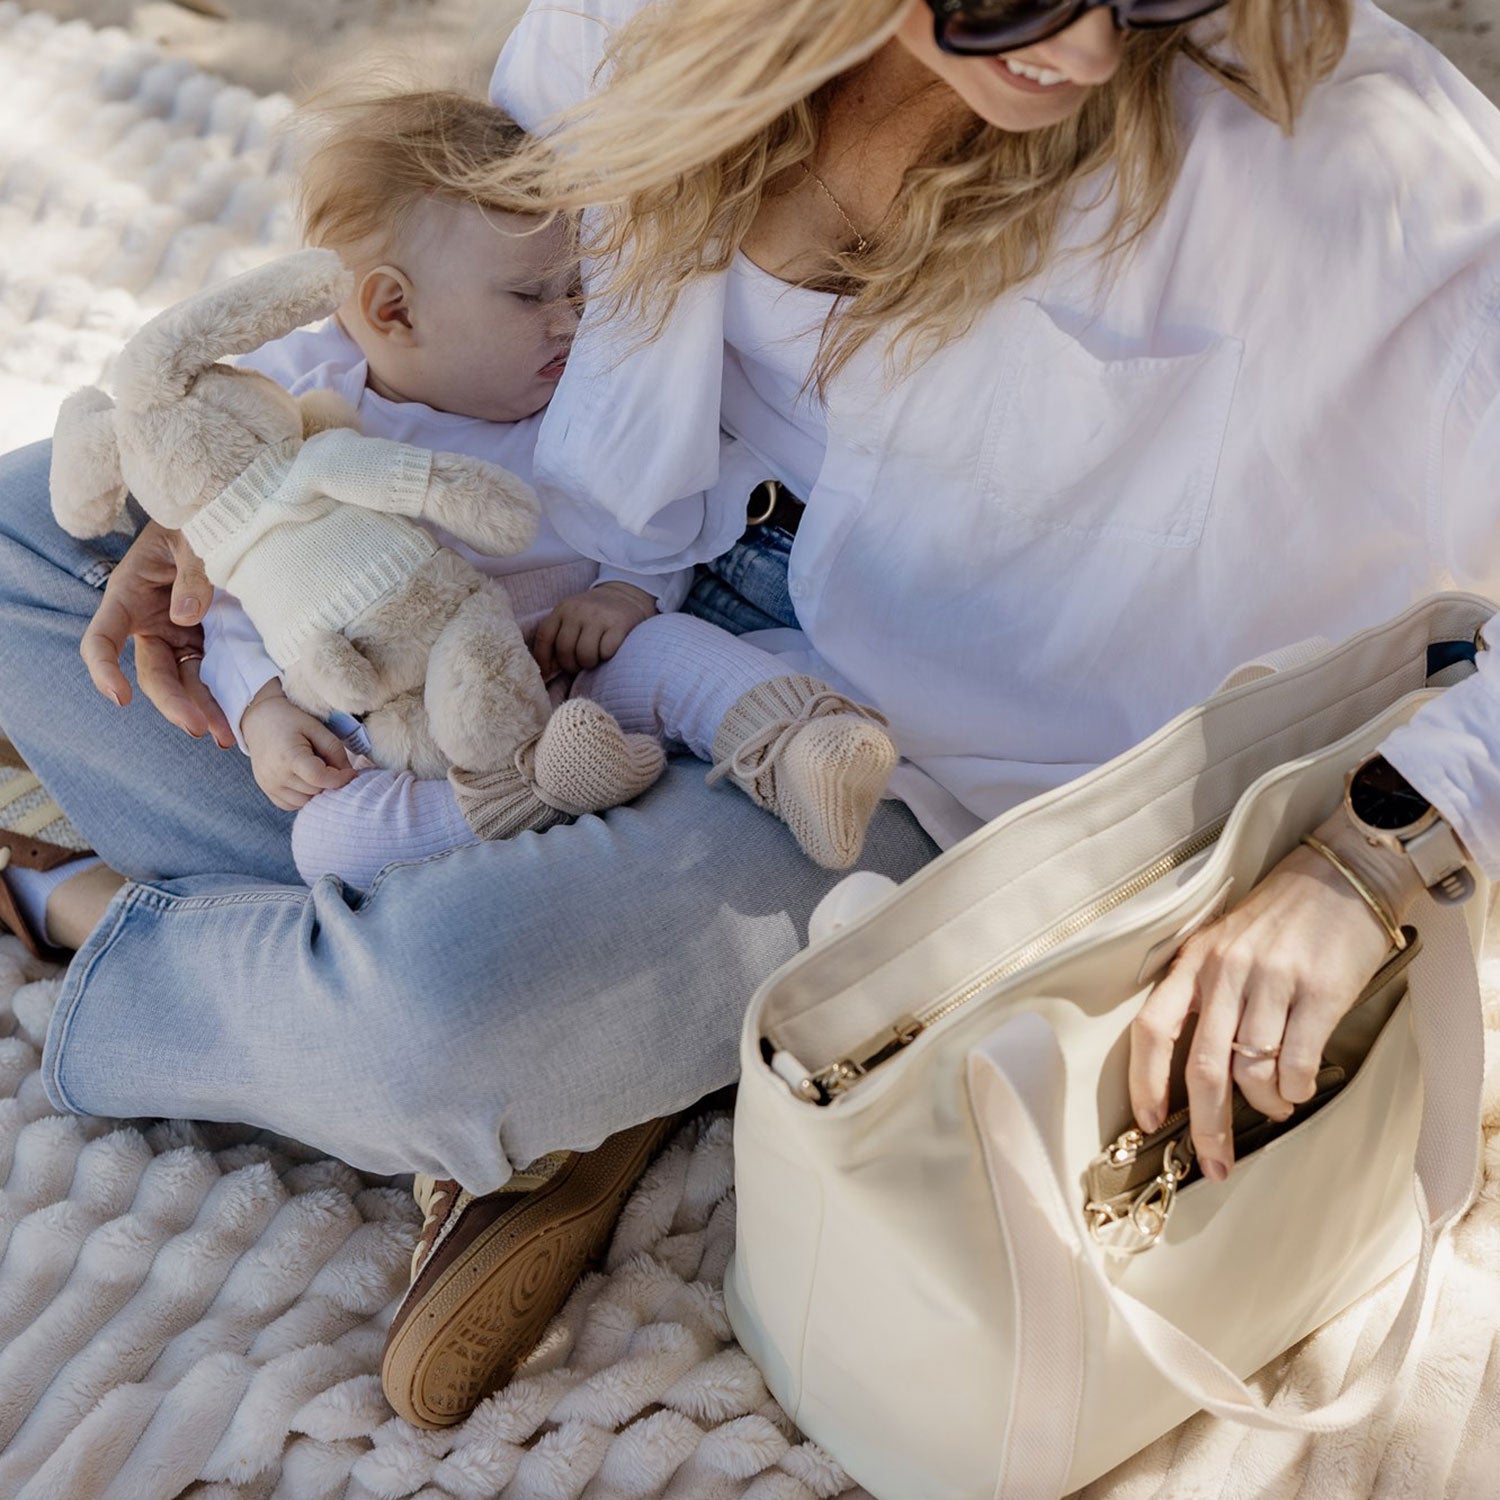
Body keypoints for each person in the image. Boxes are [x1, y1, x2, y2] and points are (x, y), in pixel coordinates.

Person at [0, 0, 1495, 1434]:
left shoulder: (1351, 159)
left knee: (444, 1014)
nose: (1093, 43)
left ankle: (107, 915)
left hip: (883, 749)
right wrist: (245, 497)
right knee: (25, 548)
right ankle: (586, 1040)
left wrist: (1378, 856)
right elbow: (444, 275)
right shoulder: (641, 24)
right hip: (529, 558)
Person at [199, 87, 898, 879]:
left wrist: (628, 594)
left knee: (672, 652)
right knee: (330, 843)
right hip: (419, 731)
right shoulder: (313, 421)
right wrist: (261, 713)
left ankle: (799, 743)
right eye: (529, 297)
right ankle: (525, 798)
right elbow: (241, 586)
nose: (568, 320)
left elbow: (663, 498)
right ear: (394, 309)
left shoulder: (578, 401)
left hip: (577, 669)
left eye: (573, 289)